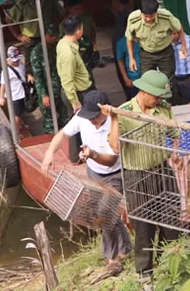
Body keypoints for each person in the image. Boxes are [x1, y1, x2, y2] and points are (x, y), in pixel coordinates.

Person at [40, 90, 130, 275]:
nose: (91, 121)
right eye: (88, 117)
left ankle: (111, 258)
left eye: (94, 117)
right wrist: (49, 152)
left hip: (115, 174)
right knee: (108, 212)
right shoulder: (82, 119)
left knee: (105, 212)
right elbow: (62, 134)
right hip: (93, 173)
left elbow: (111, 160)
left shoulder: (115, 123)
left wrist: (92, 154)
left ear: (104, 111)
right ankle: (125, 248)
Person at [106, 70, 180, 276]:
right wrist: (113, 118)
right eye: (155, 96)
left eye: (160, 97)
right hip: (137, 176)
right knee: (143, 226)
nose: (158, 100)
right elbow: (114, 146)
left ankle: (168, 263)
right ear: (144, 90)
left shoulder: (163, 109)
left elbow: (175, 133)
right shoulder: (124, 111)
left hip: (162, 171)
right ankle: (144, 272)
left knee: (171, 219)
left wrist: (175, 151)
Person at [57, 15, 95, 161]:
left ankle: (78, 155)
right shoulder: (68, 53)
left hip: (78, 91)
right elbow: (67, 80)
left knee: (76, 122)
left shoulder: (63, 43)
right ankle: (76, 157)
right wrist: (75, 101)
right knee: (76, 124)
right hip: (77, 93)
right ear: (78, 31)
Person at [125, 0, 187, 86]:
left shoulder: (166, 17)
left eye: (152, 16)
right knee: (147, 82)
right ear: (141, 13)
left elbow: (179, 28)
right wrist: (131, 58)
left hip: (165, 53)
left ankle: (168, 99)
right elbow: (129, 38)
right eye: (146, 16)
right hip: (147, 54)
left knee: (168, 83)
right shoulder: (133, 19)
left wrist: (183, 46)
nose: (149, 19)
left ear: (156, 12)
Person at [30, 23, 70, 134]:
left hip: (60, 88)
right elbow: (38, 77)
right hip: (47, 90)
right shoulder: (36, 53)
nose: (54, 38)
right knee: (50, 123)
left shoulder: (56, 46)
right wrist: (44, 95)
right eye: (51, 36)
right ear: (44, 35)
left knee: (65, 119)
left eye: (55, 35)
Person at [0, 46, 34, 133]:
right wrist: (1, 97)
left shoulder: (21, 65)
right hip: (14, 96)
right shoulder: (6, 71)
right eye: (15, 60)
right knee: (16, 115)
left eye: (18, 59)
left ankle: (21, 124)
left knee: (20, 112)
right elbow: (3, 85)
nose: (17, 62)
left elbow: (25, 72)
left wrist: (28, 75)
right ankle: (17, 131)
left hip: (22, 93)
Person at [61, 0, 100, 71]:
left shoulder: (87, 20)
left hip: (87, 50)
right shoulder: (64, 23)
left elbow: (93, 34)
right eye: (76, 9)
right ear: (69, 9)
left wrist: (94, 47)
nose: (79, 11)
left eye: (81, 8)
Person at [115, 36, 141, 100]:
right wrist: (126, 79)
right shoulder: (121, 42)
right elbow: (120, 60)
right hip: (133, 78)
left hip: (145, 75)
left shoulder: (143, 39)